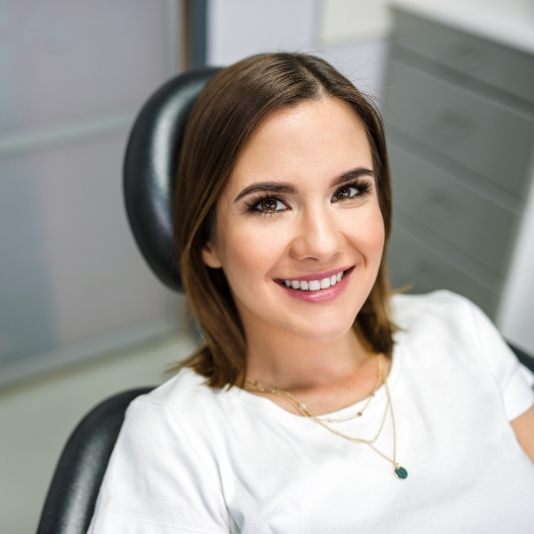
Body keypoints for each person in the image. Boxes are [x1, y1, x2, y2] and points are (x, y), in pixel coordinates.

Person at [88, 52, 534, 533]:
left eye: (348, 191)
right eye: (270, 204)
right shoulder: (174, 439)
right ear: (208, 240)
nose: (321, 244)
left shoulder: (459, 328)